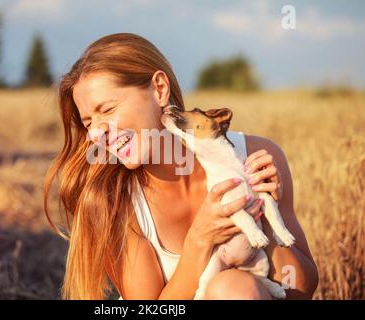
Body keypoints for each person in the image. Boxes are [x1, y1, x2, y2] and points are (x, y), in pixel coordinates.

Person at [43, 33, 318, 300]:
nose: (96, 134)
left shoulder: (256, 155)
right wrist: (200, 238)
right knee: (232, 288)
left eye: (107, 109)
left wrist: (266, 219)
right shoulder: (113, 200)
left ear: (159, 89)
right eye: (89, 122)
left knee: (234, 288)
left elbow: (301, 290)